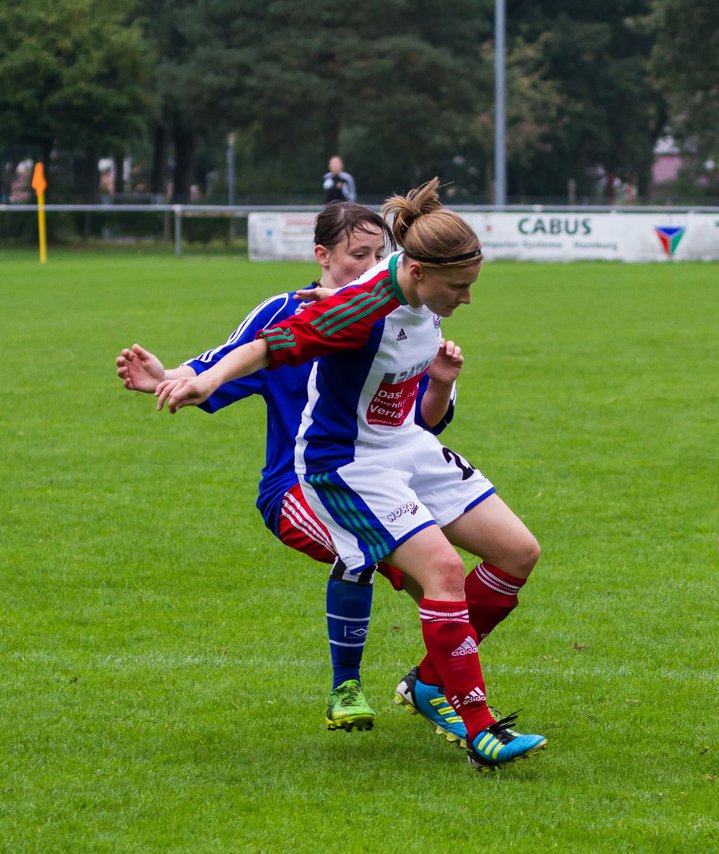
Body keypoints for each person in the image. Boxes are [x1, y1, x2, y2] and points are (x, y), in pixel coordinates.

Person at [154, 178, 546, 771]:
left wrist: (440, 381)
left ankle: (428, 683)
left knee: (518, 552)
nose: (467, 299)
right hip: (345, 460)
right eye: (458, 287)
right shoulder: (361, 309)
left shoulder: (417, 285)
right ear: (415, 271)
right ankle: (479, 727)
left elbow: (421, 407)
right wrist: (204, 380)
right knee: (440, 570)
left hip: (403, 444)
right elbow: (268, 346)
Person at [116, 201, 465, 734]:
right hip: (294, 489)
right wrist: (170, 375)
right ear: (322, 255)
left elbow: (423, 424)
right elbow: (223, 360)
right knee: (371, 548)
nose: (371, 264)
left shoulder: (399, 314)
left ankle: (435, 684)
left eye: (380, 254)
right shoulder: (285, 313)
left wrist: (440, 381)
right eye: (358, 255)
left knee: (431, 573)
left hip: (372, 476)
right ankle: (354, 689)